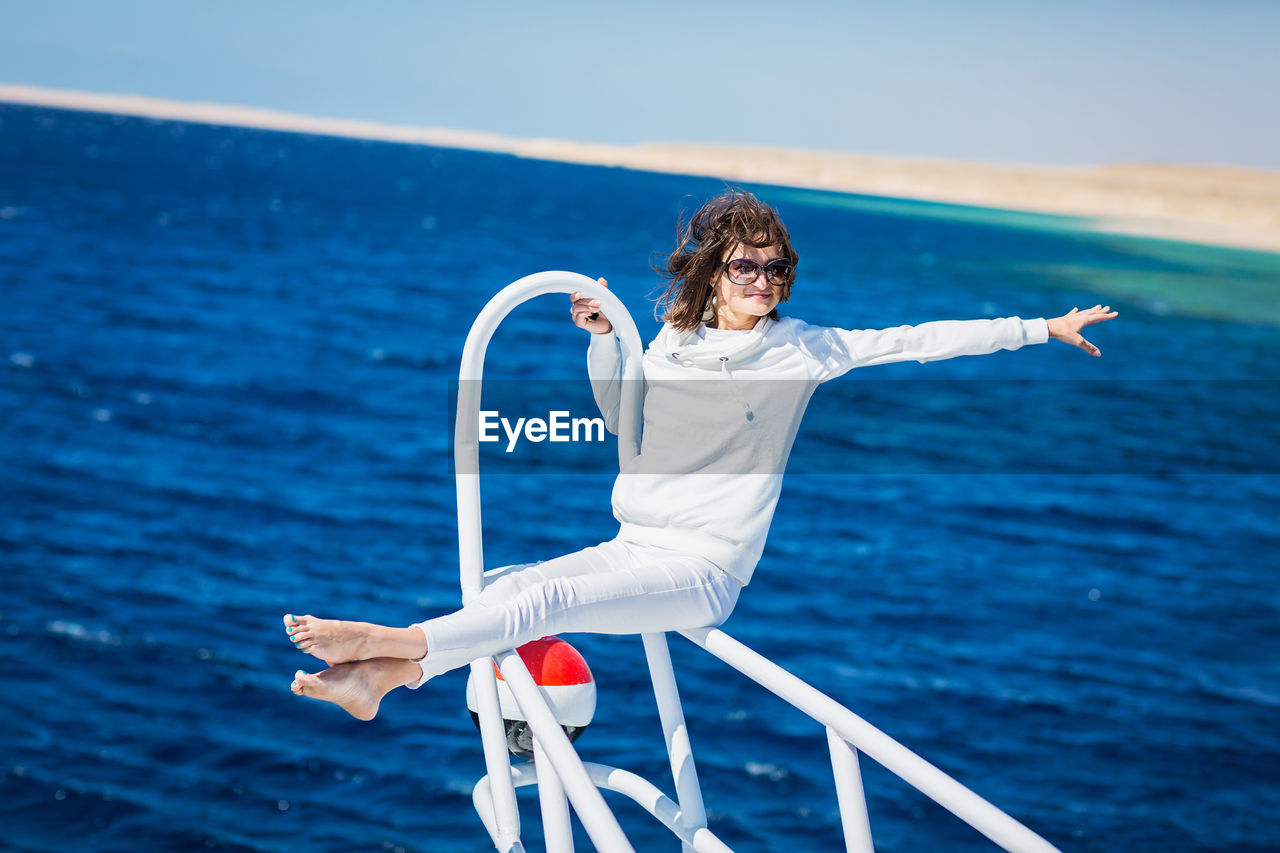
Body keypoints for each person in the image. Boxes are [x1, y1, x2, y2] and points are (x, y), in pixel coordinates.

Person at [284, 189, 1116, 720]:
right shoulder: (673, 342)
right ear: (714, 273)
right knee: (511, 586)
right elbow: (619, 416)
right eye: (746, 264)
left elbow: (918, 341)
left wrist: (1040, 327)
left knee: (550, 597)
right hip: (634, 543)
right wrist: (607, 342)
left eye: (776, 266)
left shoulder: (806, 350)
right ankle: (383, 682)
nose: (763, 278)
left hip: (704, 570)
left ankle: (388, 641)